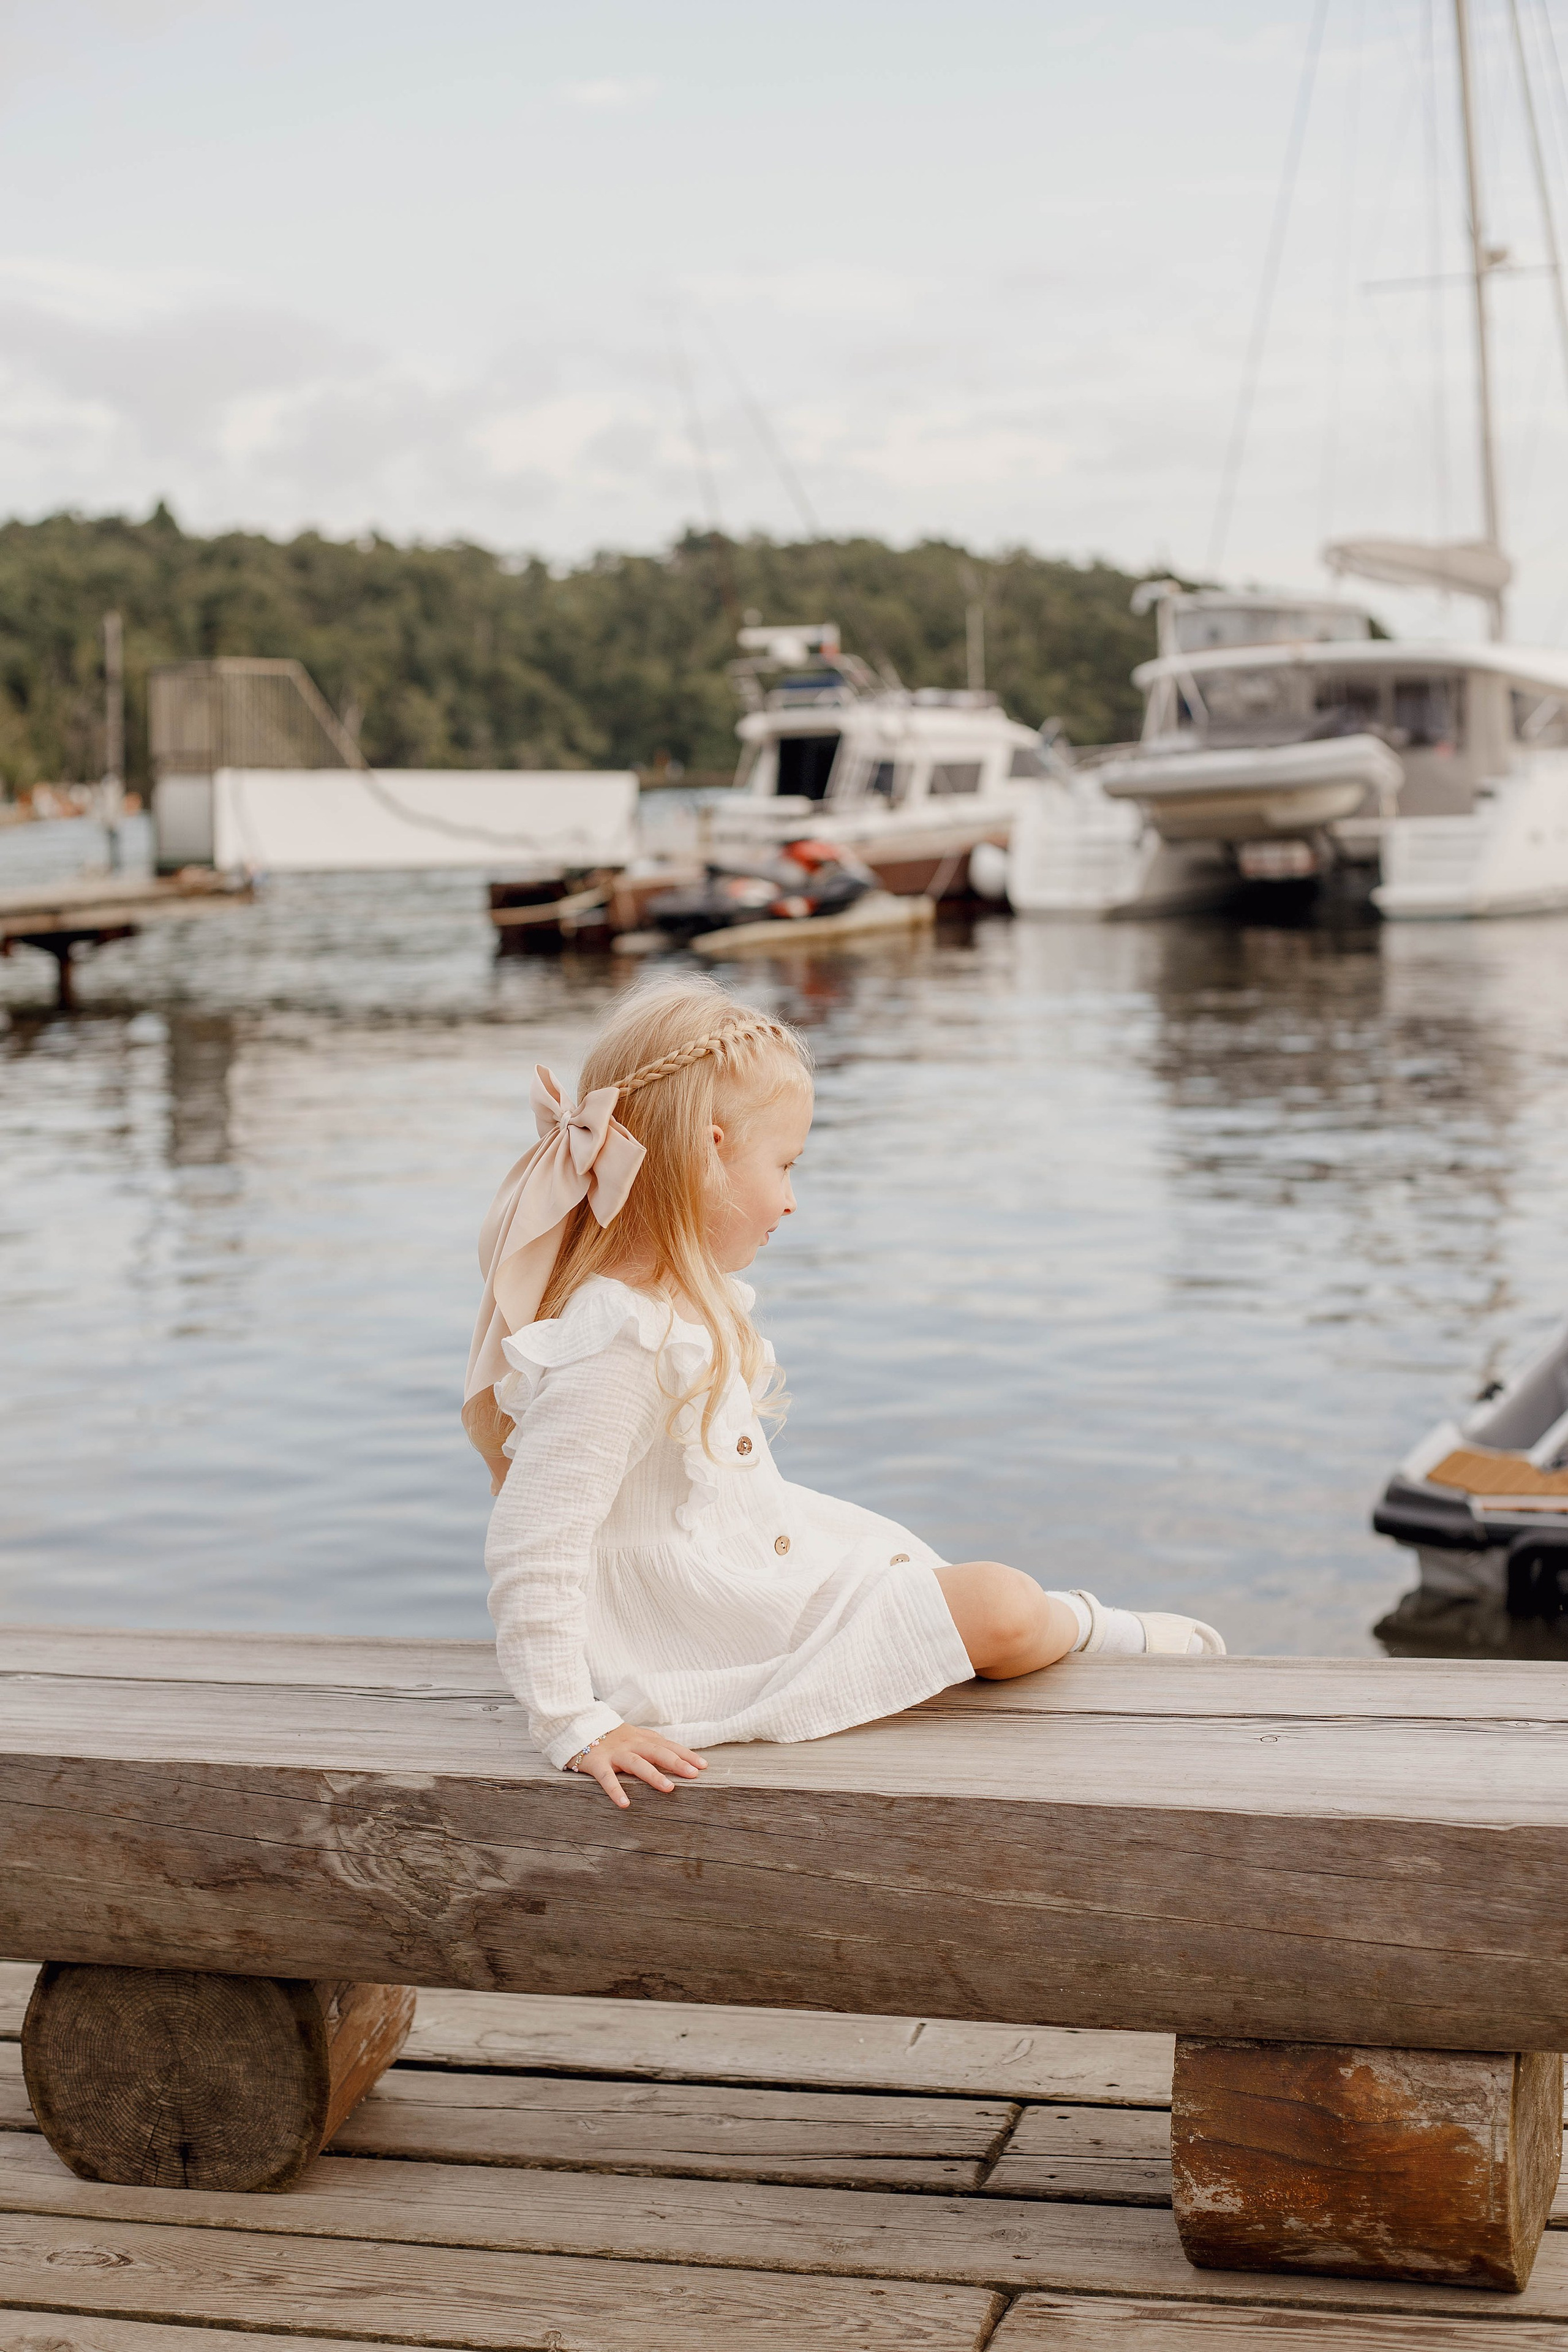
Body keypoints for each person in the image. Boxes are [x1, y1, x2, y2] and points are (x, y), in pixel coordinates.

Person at [465, 978, 1224, 1809]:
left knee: (957, 1586)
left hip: (750, 1580)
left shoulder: (675, 1304)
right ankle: (1097, 1628)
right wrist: (573, 1722)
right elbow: (533, 1543)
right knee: (998, 1604)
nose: (792, 1197)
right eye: (785, 1165)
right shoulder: (617, 1340)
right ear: (709, 1153)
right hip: (698, 1642)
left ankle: (1080, 1628)